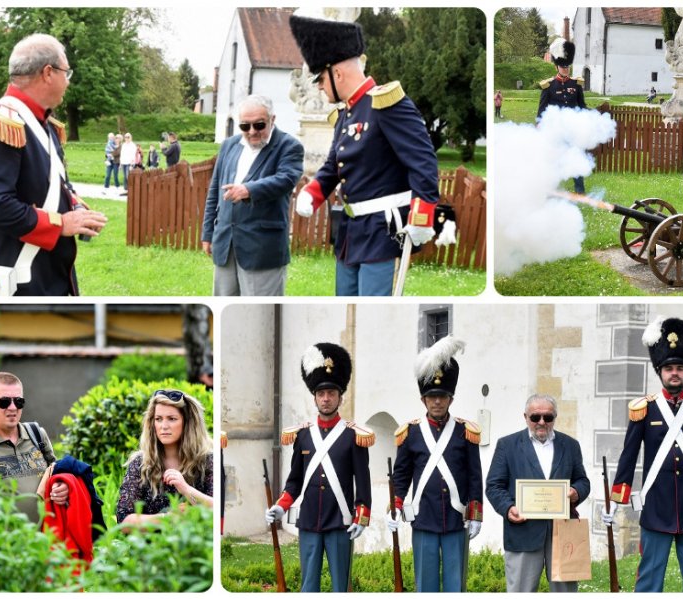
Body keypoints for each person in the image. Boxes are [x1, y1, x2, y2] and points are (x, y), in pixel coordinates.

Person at [290, 13, 440, 296]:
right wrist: (313, 191)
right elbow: (334, 164)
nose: (319, 87)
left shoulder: (387, 103)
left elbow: (423, 162)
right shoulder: (346, 113)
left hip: (382, 232)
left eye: (320, 79)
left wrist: (422, 217)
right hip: (349, 232)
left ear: (337, 73)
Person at [0, 33, 107, 296]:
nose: (68, 82)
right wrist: (60, 223)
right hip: (15, 276)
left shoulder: (43, 123)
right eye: (67, 72)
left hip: (48, 270)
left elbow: (52, 184)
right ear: (48, 73)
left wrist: (76, 208)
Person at [601, 316, 683, 592]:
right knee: (648, 582)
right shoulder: (644, 409)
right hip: (656, 508)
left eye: (680, 367)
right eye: (669, 368)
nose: (675, 373)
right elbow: (628, 456)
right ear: (660, 372)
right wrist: (615, 501)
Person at [265, 342, 373, 592]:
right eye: (321, 394)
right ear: (314, 397)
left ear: (340, 397)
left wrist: (361, 517)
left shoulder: (352, 436)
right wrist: (281, 506)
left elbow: (363, 484)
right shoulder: (303, 436)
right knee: (309, 586)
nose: (326, 399)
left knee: (340, 588)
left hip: (341, 522)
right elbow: (295, 481)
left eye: (331, 393)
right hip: (310, 522)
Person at [387, 336, 483, 592]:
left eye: (442, 396)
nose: (437, 401)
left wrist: (475, 515)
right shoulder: (411, 433)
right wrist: (395, 506)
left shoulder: (466, 431)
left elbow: (475, 476)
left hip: (456, 520)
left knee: (455, 586)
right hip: (424, 519)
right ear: (424, 401)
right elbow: (401, 476)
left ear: (450, 399)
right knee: (425, 586)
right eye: (432, 397)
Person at [485, 393, 590, 592]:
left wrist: (576, 492)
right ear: (525, 417)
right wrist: (508, 508)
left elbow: (583, 481)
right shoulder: (507, 445)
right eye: (535, 417)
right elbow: (494, 485)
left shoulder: (570, 445)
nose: (542, 422)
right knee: (520, 592)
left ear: (554, 418)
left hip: (562, 532)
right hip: (523, 530)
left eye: (548, 417)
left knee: (565, 592)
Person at [201, 95, 304, 296]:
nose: (252, 132)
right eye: (245, 126)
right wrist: (207, 233)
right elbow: (214, 191)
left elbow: (285, 180)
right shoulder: (229, 145)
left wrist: (248, 189)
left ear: (272, 119)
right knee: (225, 309)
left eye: (259, 125)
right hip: (225, 243)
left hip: (262, 249)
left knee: (260, 313)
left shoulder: (289, 146)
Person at [0, 371, 70, 522]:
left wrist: (62, 488)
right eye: (4, 402)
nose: (13, 407)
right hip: (4, 543)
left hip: (46, 541)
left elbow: (55, 474)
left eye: (18, 401)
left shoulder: (37, 434)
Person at [116, 389, 214, 525]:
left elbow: (218, 510)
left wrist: (186, 489)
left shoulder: (207, 461)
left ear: (187, 423)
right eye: (158, 419)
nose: (164, 426)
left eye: (172, 419)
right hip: (151, 545)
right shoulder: (140, 463)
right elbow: (124, 520)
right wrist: (168, 518)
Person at [538, 38, 587, 195]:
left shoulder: (576, 84)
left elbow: (582, 106)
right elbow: (542, 110)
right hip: (555, 130)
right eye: (562, 66)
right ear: (556, 66)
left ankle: (579, 190)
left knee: (576, 158)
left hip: (573, 129)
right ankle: (552, 189)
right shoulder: (549, 86)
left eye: (567, 66)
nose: (565, 69)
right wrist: (540, 126)